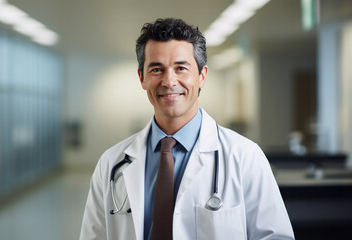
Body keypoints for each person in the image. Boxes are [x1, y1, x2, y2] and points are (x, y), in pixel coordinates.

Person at [79, 18, 294, 240]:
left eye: (181, 68)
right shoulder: (111, 163)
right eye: (156, 69)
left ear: (202, 76)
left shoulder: (246, 157)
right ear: (142, 78)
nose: (169, 81)